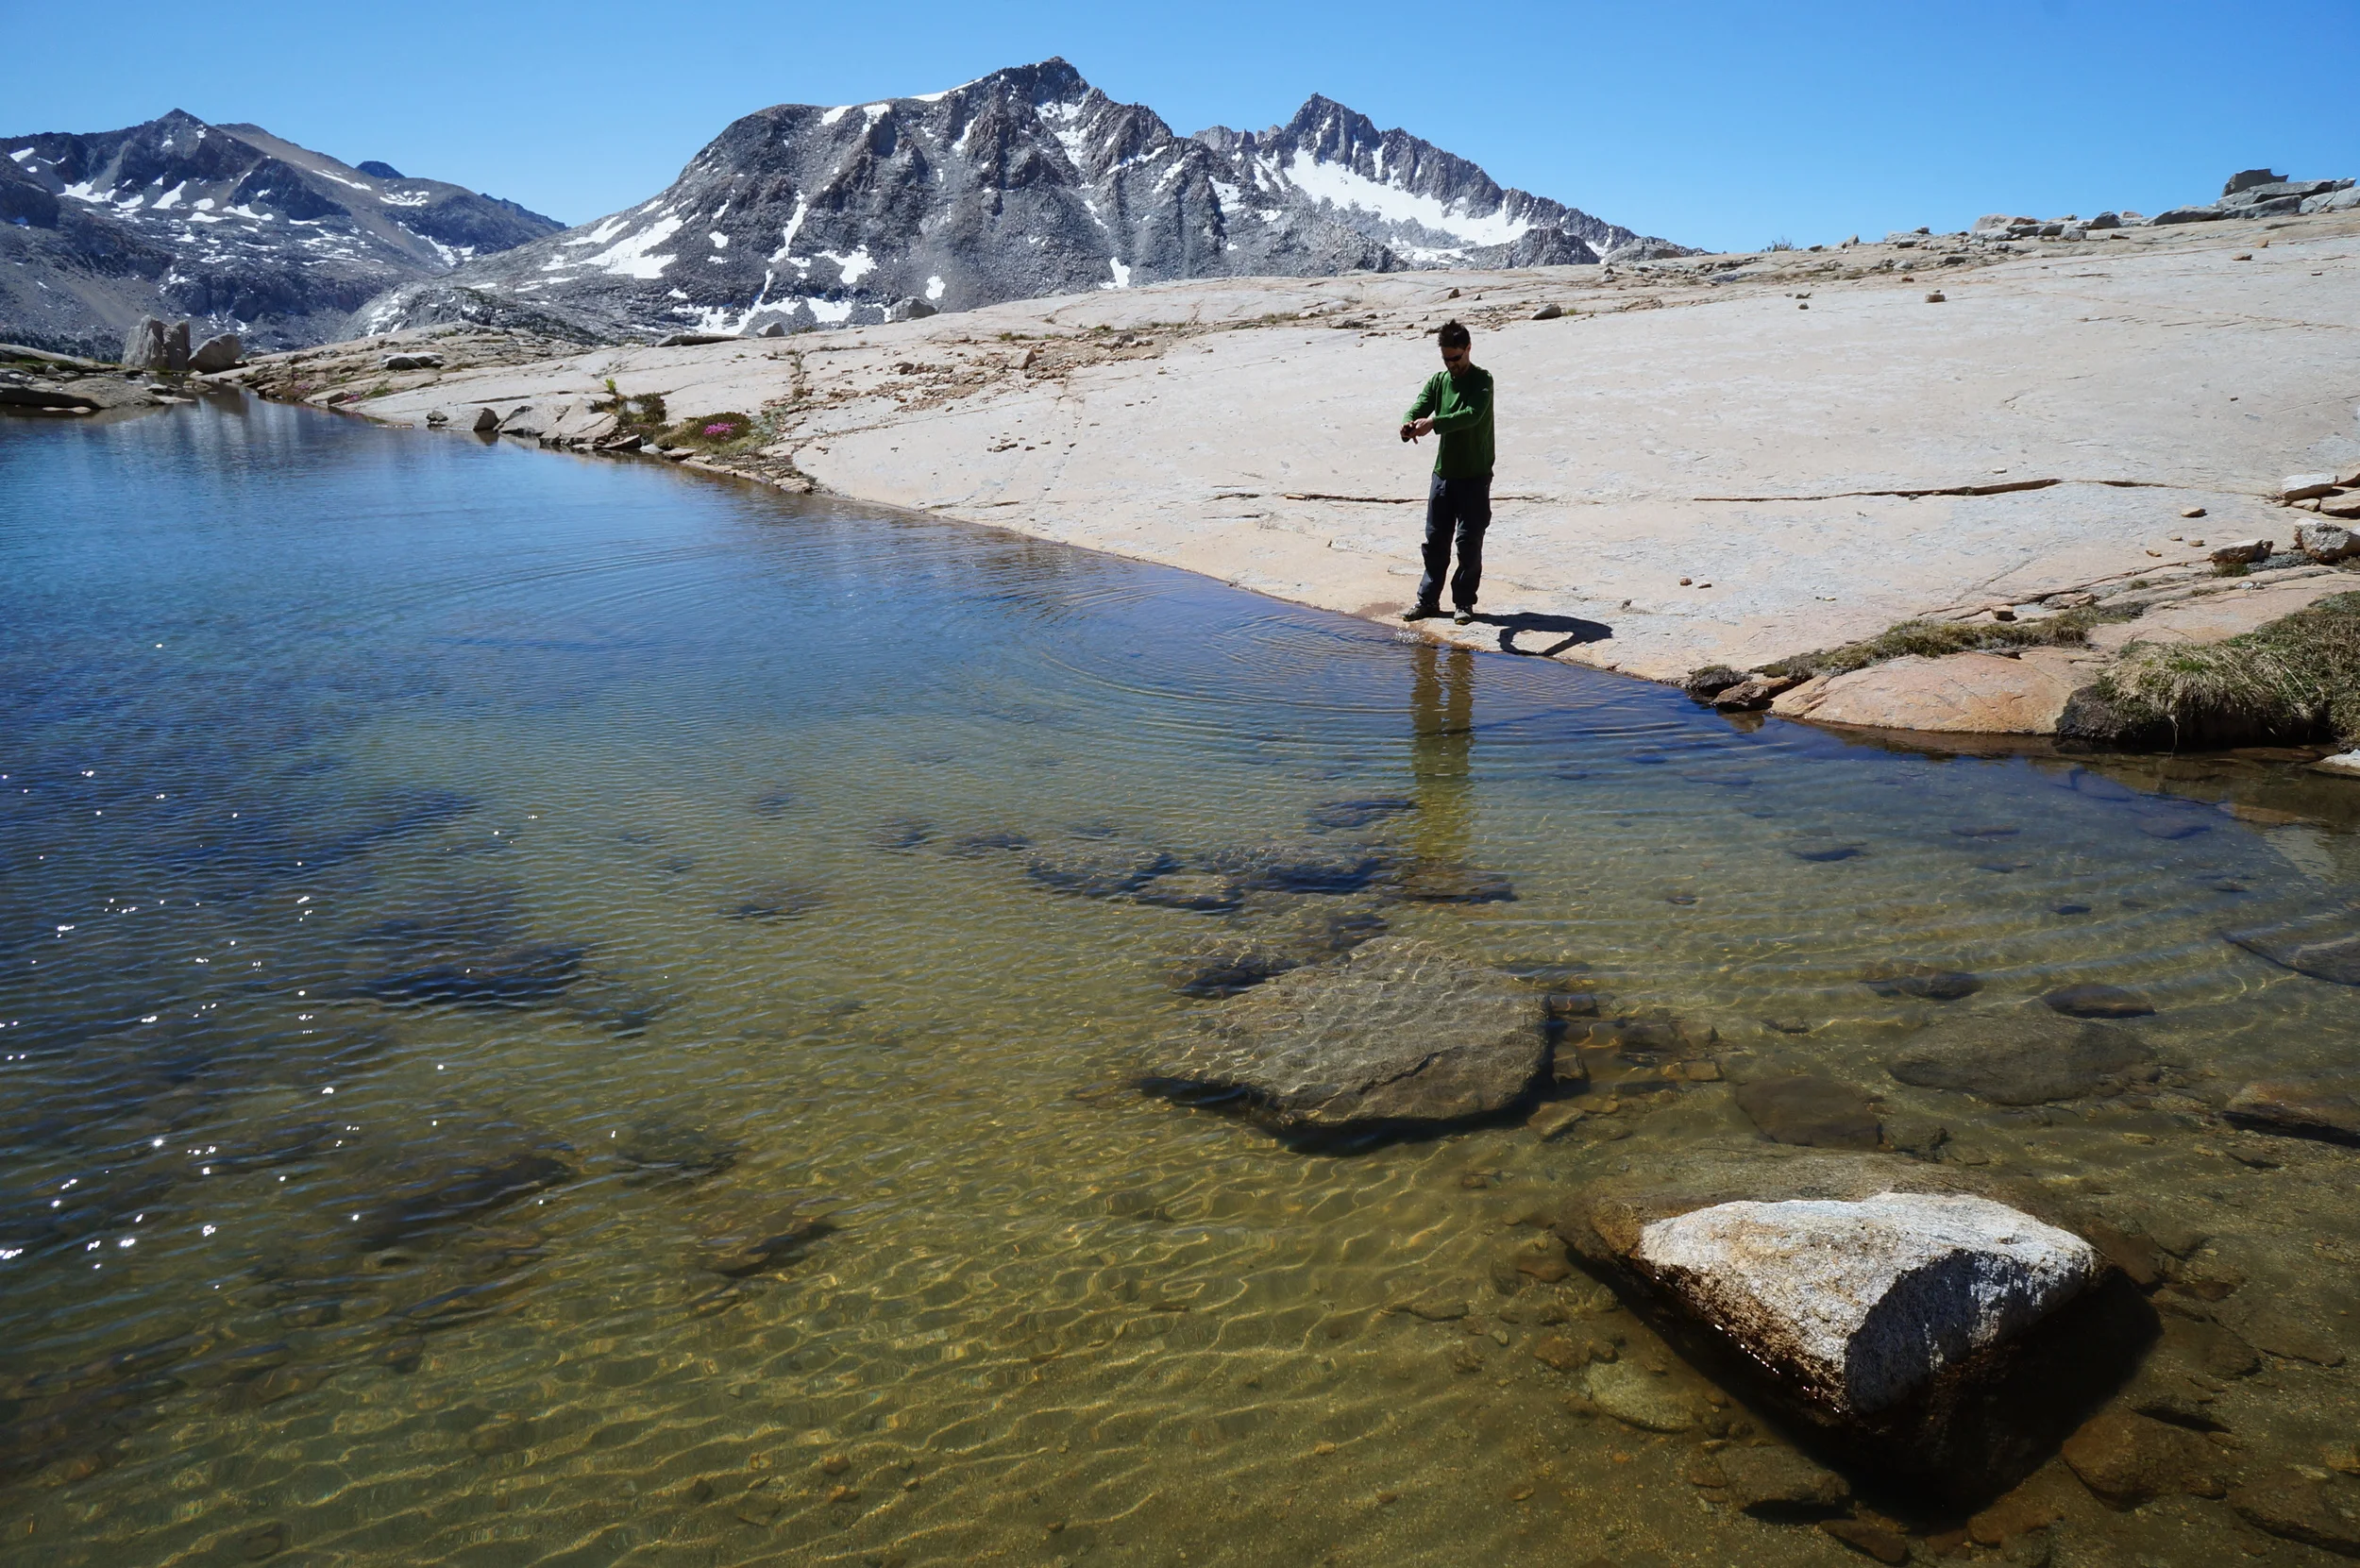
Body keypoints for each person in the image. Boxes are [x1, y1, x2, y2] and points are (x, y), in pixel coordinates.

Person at [1397, 319, 1494, 626]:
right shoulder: (1439, 381)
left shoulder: (1482, 380)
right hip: (1444, 476)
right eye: (1447, 359)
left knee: (1468, 542)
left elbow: (1471, 415)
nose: (1452, 364)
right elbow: (1420, 406)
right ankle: (1427, 601)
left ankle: (1464, 602)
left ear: (1468, 348)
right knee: (1435, 541)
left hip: (1474, 476)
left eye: (1456, 357)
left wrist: (1435, 424)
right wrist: (1409, 424)